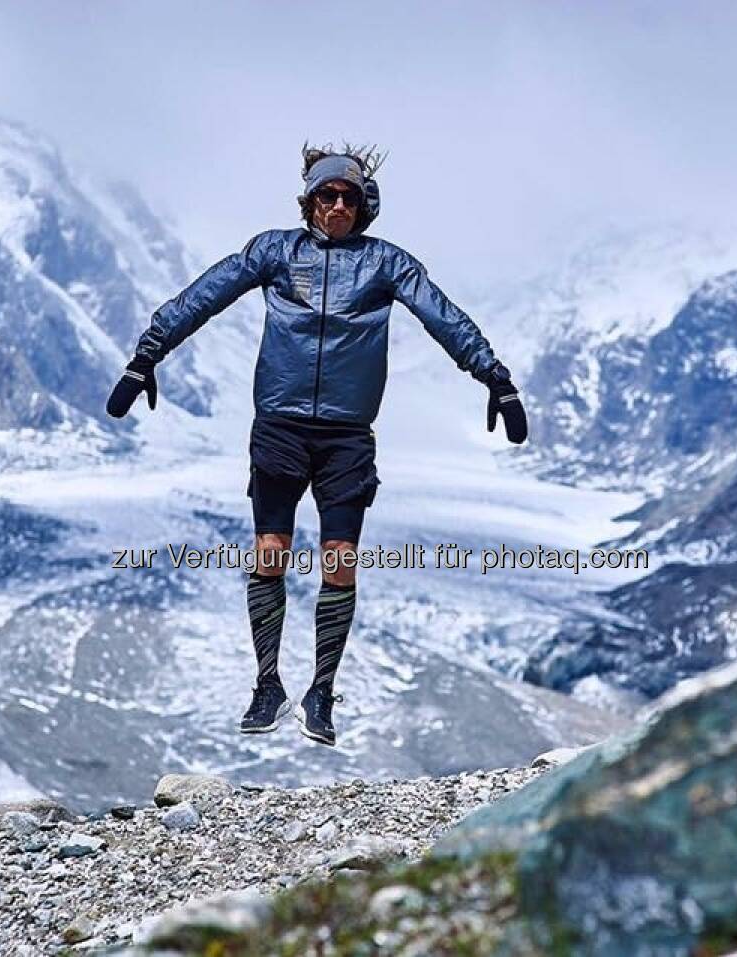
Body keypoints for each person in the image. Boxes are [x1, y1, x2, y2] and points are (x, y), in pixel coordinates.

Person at [106, 144, 527, 747]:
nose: (336, 206)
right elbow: (203, 296)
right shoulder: (275, 251)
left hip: (346, 436)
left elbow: (443, 317)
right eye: (326, 196)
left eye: (348, 197)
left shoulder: (386, 263)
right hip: (279, 425)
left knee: (339, 561)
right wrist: (146, 357)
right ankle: (268, 684)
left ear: (363, 206)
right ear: (308, 201)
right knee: (270, 551)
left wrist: (495, 377)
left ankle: (321, 691)